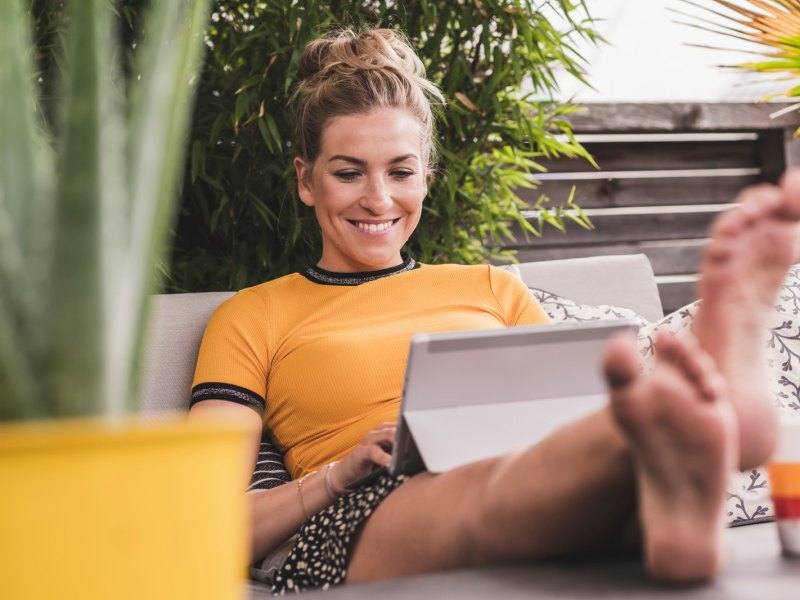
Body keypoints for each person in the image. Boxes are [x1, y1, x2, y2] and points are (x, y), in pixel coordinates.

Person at [189, 27, 800, 594]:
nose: (378, 198)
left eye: (401, 171)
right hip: (358, 512)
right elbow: (200, 522)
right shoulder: (251, 316)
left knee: (573, 442)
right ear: (306, 179)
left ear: (426, 176)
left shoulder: (492, 287)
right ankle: (691, 441)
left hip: (530, 470)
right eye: (348, 173)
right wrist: (338, 473)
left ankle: (669, 505)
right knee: (487, 486)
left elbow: (568, 423)